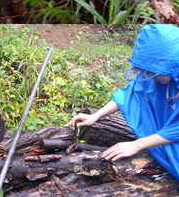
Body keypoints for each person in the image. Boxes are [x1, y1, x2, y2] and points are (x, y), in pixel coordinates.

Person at [68, 24, 179, 179]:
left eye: (154, 72)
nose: (149, 76)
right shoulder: (153, 73)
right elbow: (131, 94)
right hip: (166, 131)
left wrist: (137, 144)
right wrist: (95, 116)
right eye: (147, 71)